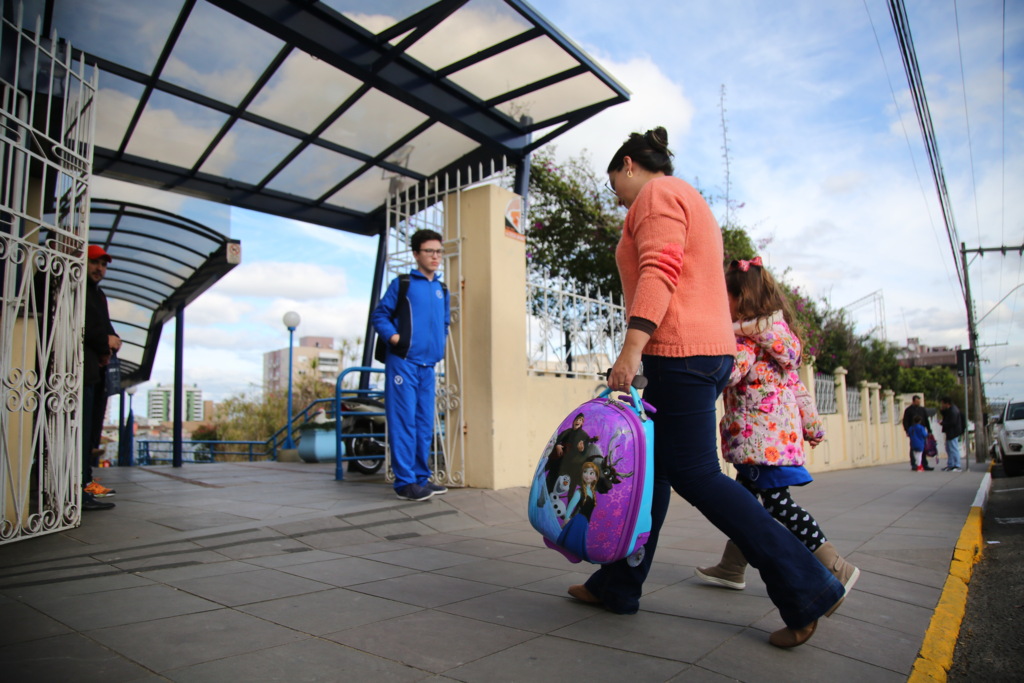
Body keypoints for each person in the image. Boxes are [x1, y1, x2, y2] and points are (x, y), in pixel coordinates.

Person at [566, 128, 844, 649]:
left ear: (628, 165)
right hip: (700, 353)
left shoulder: (656, 194)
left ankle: (808, 588)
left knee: (697, 477)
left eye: (614, 187)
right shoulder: (686, 197)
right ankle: (619, 585)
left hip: (680, 354)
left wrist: (631, 349)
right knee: (655, 476)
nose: (619, 199)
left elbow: (660, 268)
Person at [694, 257, 859, 597]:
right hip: (775, 441)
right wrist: (812, 427)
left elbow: (727, 373)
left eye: (724, 295)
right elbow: (798, 389)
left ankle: (835, 566)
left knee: (777, 506)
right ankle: (731, 567)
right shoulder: (778, 343)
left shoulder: (747, 342)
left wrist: (702, 366)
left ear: (742, 298)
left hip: (759, 444)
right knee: (746, 505)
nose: (719, 302)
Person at [371, 229, 450, 502]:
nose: (435, 256)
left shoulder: (442, 289)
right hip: (403, 362)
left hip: (427, 366)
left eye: (438, 251)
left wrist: (440, 342)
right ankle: (405, 483)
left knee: (424, 422)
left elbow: (444, 323)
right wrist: (396, 338)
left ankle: (420, 477)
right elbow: (379, 315)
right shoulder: (402, 284)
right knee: (403, 421)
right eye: (429, 251)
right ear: (416, 254)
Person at [82, 245, 120, 511]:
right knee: (81, 431)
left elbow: (106, 328)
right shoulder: (77, 289)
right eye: (95, 263)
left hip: (95, 371)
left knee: (92, 430)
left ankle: (87, 481)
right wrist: (104, 342)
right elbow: (83, 325)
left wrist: (112, 344)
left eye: (104, 265)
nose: (100, 269)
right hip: (78, 371)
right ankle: (80, 489)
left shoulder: (99, 294)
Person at [902, 395, 934, 470]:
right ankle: (914, 464)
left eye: (919, 401)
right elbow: (905, 421)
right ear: (913, 401)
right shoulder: (908, 410)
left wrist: (929, 430)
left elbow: (926, 420)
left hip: (921, 430)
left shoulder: (922, 410)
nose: (918, 403)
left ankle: (924, 464)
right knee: (913, 447)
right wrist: (907, 430)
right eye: (917, 401)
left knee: (922, 448)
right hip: (913, 431)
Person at [939, 397, 964, 472]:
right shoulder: (950, 410)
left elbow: (952, 422)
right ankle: (951, 464)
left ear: (947, 403)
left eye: (943, 403)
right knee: (949, 449)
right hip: (950, 432)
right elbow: (945, 415)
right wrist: (942, 410)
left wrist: (942, 423)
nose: (942, 405)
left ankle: (957, 465)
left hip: (953, 432)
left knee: (953, 448)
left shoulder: (953, 411)